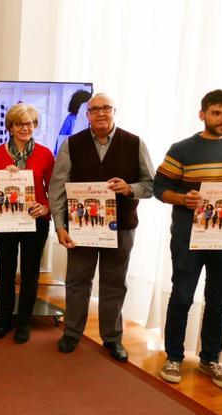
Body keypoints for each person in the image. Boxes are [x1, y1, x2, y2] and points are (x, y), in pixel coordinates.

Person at [154, 89, 222, 390]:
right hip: (189, 238)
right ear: (202, 115)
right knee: (182, 296)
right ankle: (173, 356)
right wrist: (183, 198)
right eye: (216, 113)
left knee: (218, 301)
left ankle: (210, 358)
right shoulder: (182, 149)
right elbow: (160, 188)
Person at [49, 93, 154, 361]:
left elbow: (150, 185)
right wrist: (60, 226)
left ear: (114, 111)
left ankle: (112, 338)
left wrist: (130, 188)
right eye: (94, 109)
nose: (100, 113)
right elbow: (57, 187)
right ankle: (72, 332)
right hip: (82, 227)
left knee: (114, 283)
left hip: (121, 228)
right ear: (87, 115)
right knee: (76, 282)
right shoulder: (72, 144)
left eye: (106, 108)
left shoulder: (135, 143)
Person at [0, 104, 54, 343]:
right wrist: (3, 178)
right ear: (10, 127)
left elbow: (53, 188)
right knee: (5, 271)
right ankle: (4, 320)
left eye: (30, 123)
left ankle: (24, 323)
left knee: (30, 274)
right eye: (19, 124)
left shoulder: (45, 154)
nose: (25, 128)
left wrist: (46, 208)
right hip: (6, 222)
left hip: (36, 220)